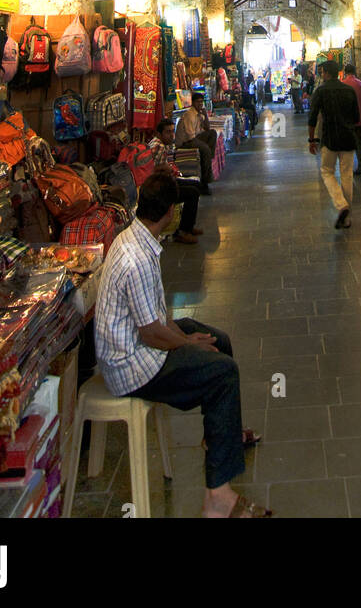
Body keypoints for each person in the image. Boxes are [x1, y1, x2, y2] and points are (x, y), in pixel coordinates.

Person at [95, 171, 272, 518]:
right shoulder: (137, 259)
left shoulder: (135, 238)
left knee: (219, 341)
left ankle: (220, 437)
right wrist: (186, 342)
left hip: (142, 341)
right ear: (170, 212)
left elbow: (154, 318)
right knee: (223, 372)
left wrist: (186, 337)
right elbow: (151, 334)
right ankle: (218, 498)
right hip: (133, 364)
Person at [307, 60, 359, 229]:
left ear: (327, 73)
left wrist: (312, 139)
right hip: (348, 138)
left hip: (329, 138)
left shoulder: (320, 91)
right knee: (347, 175)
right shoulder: (349, 90)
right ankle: (347, 217)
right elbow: (356, 117)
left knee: (327, 171)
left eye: (322, 73)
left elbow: (312, 117)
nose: (321, 75)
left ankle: (340, 203)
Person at [146, 117, 203, 246]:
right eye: (168, 132)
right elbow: (152, 171)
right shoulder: (158, 147)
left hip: (165, 181)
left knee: (196, 185)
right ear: (159, 134)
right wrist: (166, 169)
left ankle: (188, 226)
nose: (172, 135)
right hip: (160, 188)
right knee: (192, 193)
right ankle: (183, 232)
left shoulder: (160, 144)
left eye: (173, 131)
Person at [174, 90, 217, 195]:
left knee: (212, 133)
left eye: (201, 102)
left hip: (195, 138)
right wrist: (203, 146)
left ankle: (207, 159)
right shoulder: (189, 115)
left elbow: (207, 128)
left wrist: (205, 115)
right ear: (193, 103)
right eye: (198, 102)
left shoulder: (199, 114)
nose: (200, 104)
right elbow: (190, 137)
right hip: (185, 142)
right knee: (205, 149)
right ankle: (205, 182)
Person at [342, 62, 361, 176]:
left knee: (347, 147)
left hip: (348, 121)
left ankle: (347, 168)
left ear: (345, 72)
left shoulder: (343, 84)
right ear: (355, 71)